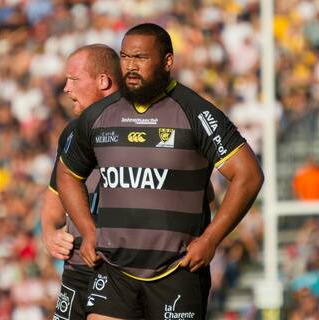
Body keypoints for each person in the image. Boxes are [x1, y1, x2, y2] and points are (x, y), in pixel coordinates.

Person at [57, 23, 264, 320]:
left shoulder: (195, 112)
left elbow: (249, 174)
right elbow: (67, 175)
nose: (130, 66)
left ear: (167, 61)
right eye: (125, 57)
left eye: (140, 58)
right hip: (114, 269)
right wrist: (88, 231)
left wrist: (210, 239)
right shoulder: (98, 116)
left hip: (176, 271)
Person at [40, 44, 122, 320]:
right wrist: (51, 235)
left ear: (103, 81)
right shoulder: (73, 132)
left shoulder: (143, 126)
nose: (66, 88)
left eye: (73, 79)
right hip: (76, 271)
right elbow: (53, 204)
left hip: (122, 271)